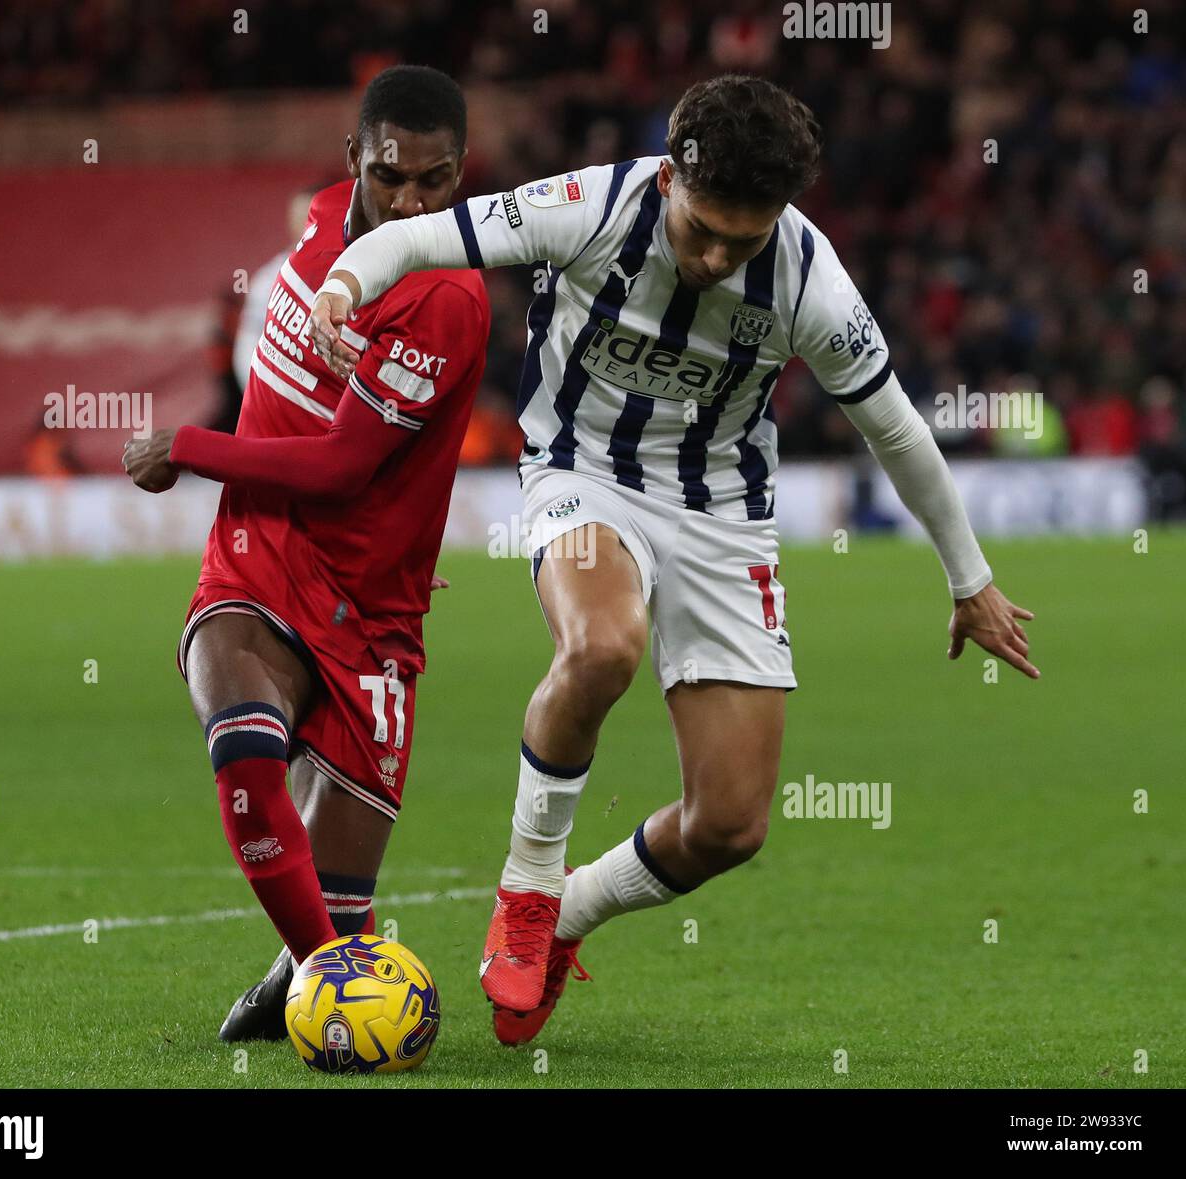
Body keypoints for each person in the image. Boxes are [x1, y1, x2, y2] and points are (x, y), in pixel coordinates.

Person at [309, 74, 1039, 1045]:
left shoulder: (808, 280)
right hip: (580, 474)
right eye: (702, 229)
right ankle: (526, 892)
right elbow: (418, 236)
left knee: (730, 824)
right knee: (602, 645)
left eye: (744, 239)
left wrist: (969, 580)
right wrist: (343, 286)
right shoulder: (591, 206)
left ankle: (570, 911)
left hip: (722, 513)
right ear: (668, 184)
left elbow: (896, 432)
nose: (716, 256)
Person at [122, 65, 490, 1041]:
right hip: (259, 549)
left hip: (372, 608)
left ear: (463, 175)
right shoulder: (323, 220)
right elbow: (279, 390)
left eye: (437, 182)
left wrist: (188, 448)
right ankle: (326, 979)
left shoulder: (446, 297)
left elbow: (341, 465)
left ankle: (306, 970)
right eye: (391, 176)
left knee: (342, 900)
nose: (412, 201)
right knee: (245, 756)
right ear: (352, 164)